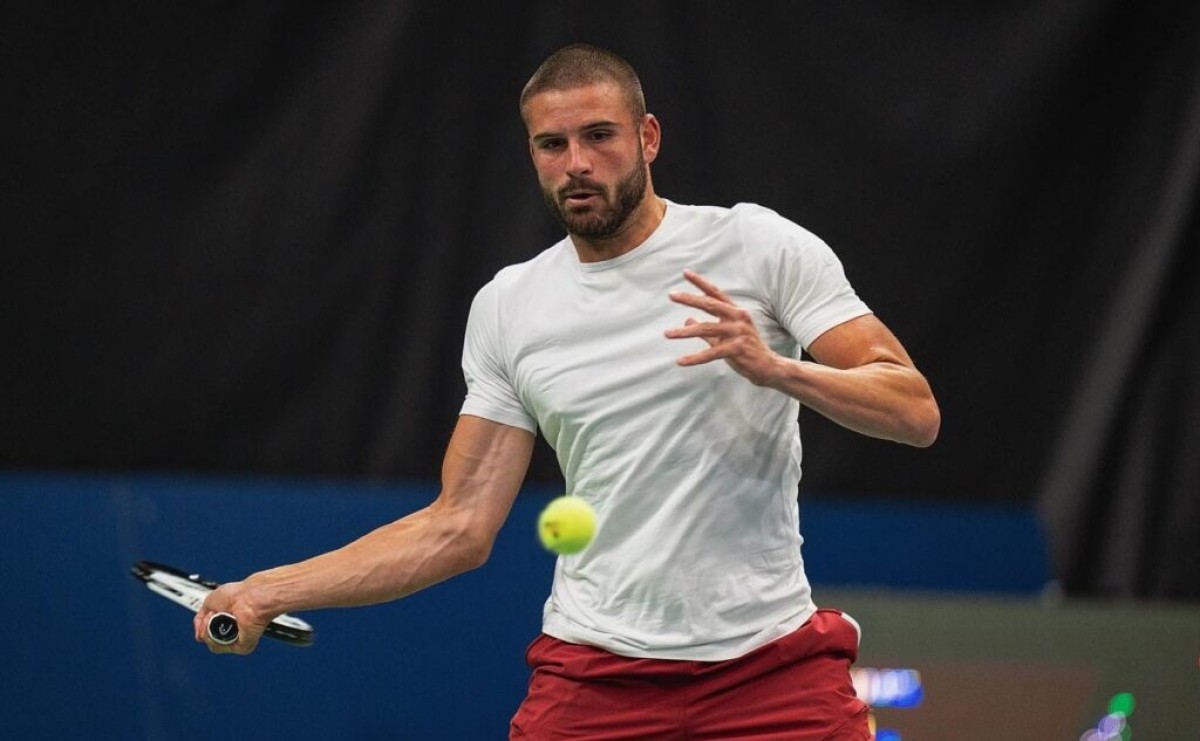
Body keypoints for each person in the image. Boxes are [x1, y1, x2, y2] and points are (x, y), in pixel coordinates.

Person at [196, 43, 940, 740]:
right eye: (552, 144)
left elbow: (913, 411)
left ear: (648, 138)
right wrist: (266, 590)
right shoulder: (510, 305)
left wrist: (780, 370)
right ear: (533, 155)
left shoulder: (757, 246)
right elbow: (457, 527)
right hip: (596, 674)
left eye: (599, 136)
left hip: (770, 667)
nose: (577, 163)